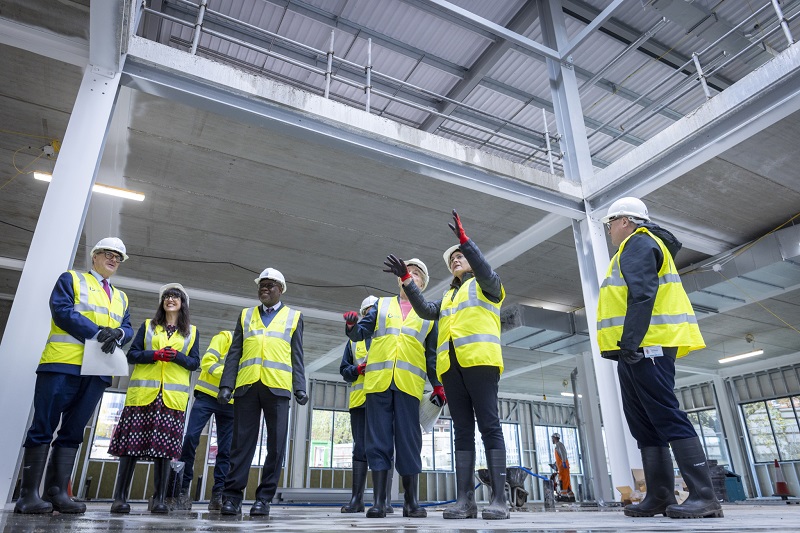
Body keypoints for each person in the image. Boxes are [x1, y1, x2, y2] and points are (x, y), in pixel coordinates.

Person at [597, 197, 722, 519]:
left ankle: (704, 496)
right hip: (634, 348)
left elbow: (642, 294)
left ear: (625, 221)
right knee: (644, 423)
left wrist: (631, 342)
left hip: (647, 345)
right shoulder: (632, 248)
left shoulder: (639, 243)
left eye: (609, 223)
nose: (608, 230)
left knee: (665, 415)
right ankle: (660, 495)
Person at [386, 210, 509, 520]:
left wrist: (466, 243)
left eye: (460, 256)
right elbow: (427, 311)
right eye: (452, 258)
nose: (455, 259)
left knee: (490, 427)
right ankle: (465, 500)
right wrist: (406, 280)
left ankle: (499, 500)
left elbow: (485, 270)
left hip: (481, 364)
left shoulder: (487, 286)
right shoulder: (448, 297)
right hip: (452, 369)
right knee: (463, 432)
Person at [15, 237, 134, 515]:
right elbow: (63, 312)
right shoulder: (71, 279)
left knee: (73, 432)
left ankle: (57, 493)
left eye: (118, 257)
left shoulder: (121, 296)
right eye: (108, 253)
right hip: (62, 364)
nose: (113, 259)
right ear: (94, 256)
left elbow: (127, 326)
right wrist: (98, 331)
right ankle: (28, 495)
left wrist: (118, 333)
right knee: (43, 426)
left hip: (97, 372)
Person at [343, 258, 443, 519]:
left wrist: (438, 385)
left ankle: (411, 502)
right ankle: (379, 503)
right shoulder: (381, 305)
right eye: (406, 272)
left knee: (409, 442)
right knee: (378, 442)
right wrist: (352, 326)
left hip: (409, 385)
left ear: (422, 282)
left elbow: (431, 356)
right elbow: (360, 334)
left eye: (415, 273)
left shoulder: (429, 313)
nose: (409, 275)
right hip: (378, 383)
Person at [217, 268, 308, 517]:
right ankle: (232, 498)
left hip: (278, 389)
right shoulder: (246, 315)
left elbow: (297, 357)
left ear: (281, 289)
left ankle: (264, 499)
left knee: (276, 446)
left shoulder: (294, 317)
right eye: (261, 285)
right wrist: (226, 384)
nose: (264, 289)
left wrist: (300, 387)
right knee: (240, 444)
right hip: (246, 387)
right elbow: (234, 352)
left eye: (270, 285)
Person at [108, 283, 199, 514]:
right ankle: (120, 499)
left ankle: (159, 500)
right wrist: (154, 355)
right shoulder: (148, 326)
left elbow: (194, 363)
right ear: (162, 302)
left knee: (165, 450)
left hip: (171, 398)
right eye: (167, 296)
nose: (170, 299)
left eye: (175, 297)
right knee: (130, 448)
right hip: (143, 396)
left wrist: (177, 356)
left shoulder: (192, 331)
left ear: (182, 304)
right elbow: (133, 355)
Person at [173, 330, 235, 511]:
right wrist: (232, 376)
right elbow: (208, 363)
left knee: (226, 449)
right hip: (207, 396)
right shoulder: (225, 337)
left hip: (232, 402)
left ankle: (218, 494)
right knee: (191, 437)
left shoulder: (253, 348)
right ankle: (183, 489)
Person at [339, 295, 375, 514]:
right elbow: (344, 370)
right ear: (362, 316)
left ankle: (384, 501)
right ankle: (357, 500)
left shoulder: (388, 337)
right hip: (360, 403)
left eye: (373, 311)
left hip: (383, 402)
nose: (370, 314)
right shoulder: (353, 341)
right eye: (366, 311)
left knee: (384, 449)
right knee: (360, 449)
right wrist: (357, 370)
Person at [551, 433, 575, 502]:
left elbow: (563, 454)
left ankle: (564, 496)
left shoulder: (559, 445)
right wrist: (555, 464)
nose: (552, 439)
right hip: (561, 467)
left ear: (555, 438)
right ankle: (571, 496)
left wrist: (564, 462)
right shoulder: (557, 446)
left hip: (563, 467)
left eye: (552, 438)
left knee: (563, 481)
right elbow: (560, 456)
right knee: (566, 481)